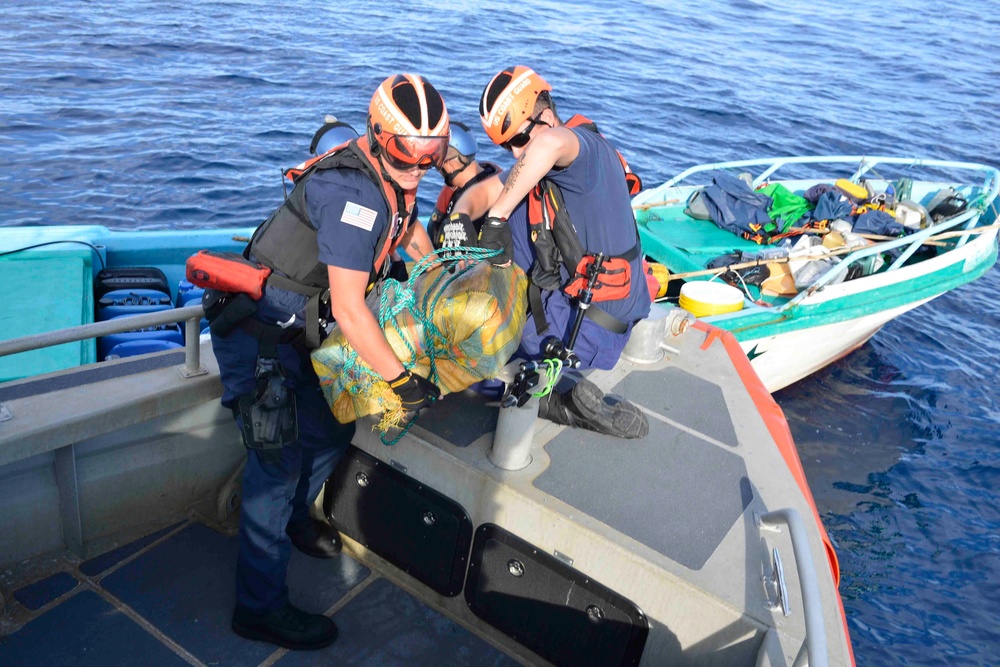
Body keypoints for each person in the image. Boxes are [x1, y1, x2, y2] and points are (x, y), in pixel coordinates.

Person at [208, 73, 448, 650]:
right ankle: (258, 608)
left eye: (432, 155)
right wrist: (404, 383)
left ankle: (294, 522)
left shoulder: (392, 177)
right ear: (376, 136)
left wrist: (444, 273)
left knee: (333, 429)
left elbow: (407, 229)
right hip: (262, 335)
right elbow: (349, 305)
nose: (419, 168)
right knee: (276, 468)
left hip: (306, 334)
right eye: (405, 154)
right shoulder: (352, 194)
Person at [446, 65, 649, 439]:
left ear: (548, 116)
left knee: (459, 357)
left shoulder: (582, 151)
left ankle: (552, 397)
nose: (516, 153)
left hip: (588, 331)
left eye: (520, 140)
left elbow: (549, 144)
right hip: (577, 308)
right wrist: (458, 220)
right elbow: (485, 191)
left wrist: (496, 220)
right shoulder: (546, 164)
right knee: (509, 202)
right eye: (507, 147)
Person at [425, 121, 500, 249]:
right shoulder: (457, 189)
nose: (438, 170)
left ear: (449, 164)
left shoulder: (489, 204)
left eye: (437, 164)